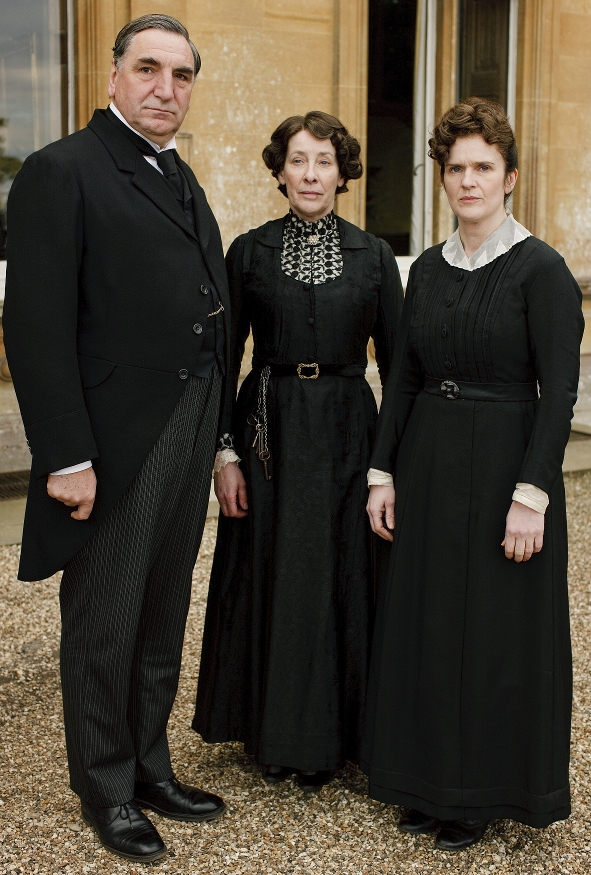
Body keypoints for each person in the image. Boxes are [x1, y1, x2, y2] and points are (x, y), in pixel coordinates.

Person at [4, 14, 229, 864]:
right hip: (111, 440)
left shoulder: (178, 173)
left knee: (162, 612)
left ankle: (148, 765)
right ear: (112, 76)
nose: (165, 89)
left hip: (188, 423)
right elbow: (34, 327)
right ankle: (104, 787)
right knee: (105, 622)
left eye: (181, 74)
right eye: (148, 69)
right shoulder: (62, 170)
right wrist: (66, 456)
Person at [363, 97, 584, 851]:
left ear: (509, 177)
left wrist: (532, 495)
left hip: (503, 468)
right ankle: (423, 779)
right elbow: (401, 376)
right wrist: (381, 471)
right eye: (455, 168)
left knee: (491, 630)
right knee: (427, 620)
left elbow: (559, 391)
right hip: (427, 460)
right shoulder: (425, 269)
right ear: (442, 178)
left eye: (483, 167)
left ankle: (479, 791)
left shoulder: (542, 270)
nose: (468, 181)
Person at [193, 111, 403, 789]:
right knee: (275, 571)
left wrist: (387, 466)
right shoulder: (248, 252)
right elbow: (224, 359)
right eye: (298, 160)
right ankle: (274, 733)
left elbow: (399, 369)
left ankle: (341, 736)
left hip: (349, 431)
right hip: (269, 431)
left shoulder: (374, 256)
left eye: (324, 161)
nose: (311, 174)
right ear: (280, 171)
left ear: (343, 173)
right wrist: (224, 454)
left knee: (343, 574)